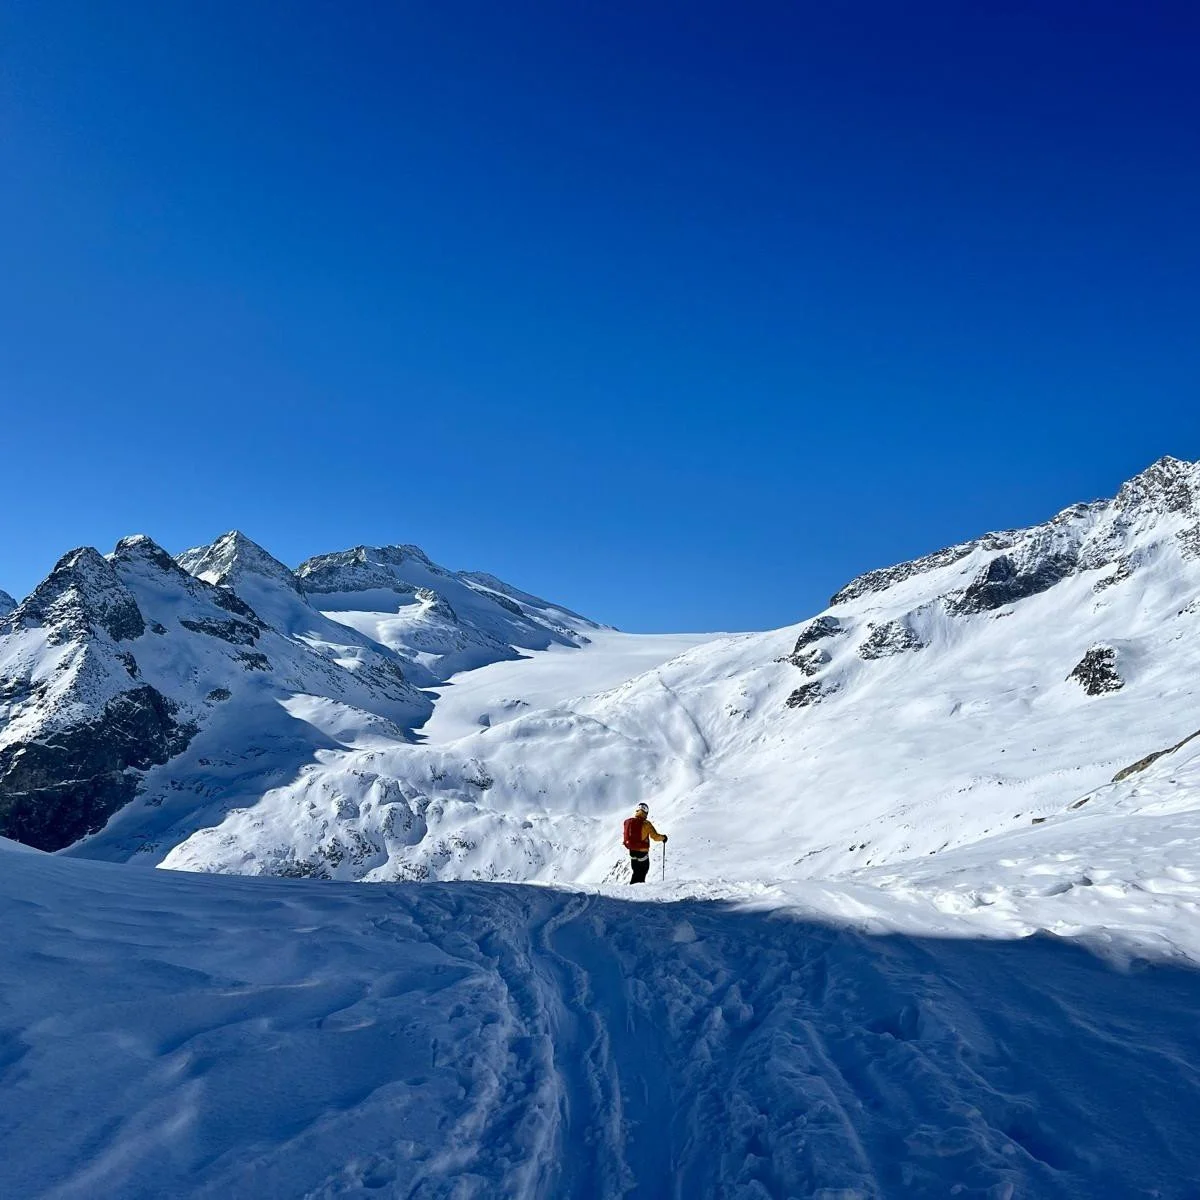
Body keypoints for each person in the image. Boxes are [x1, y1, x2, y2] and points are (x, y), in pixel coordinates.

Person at [623, 801, 667, 884]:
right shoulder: (646, 824)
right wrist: (664, 838)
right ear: (646, 812)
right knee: (643, 872)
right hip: (642, 853)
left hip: (632, 851)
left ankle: (631, 888)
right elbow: (655, 837)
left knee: (636, 871)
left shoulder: (629, 822)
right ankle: (638, 890)